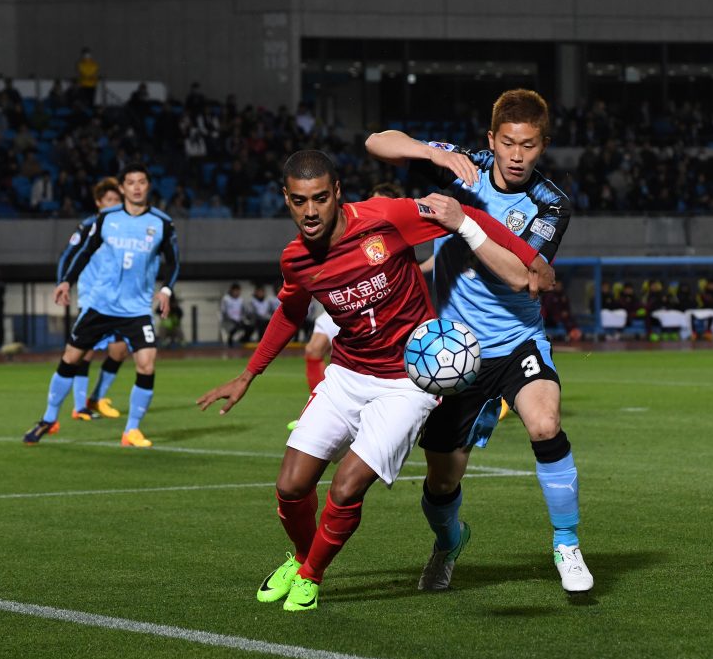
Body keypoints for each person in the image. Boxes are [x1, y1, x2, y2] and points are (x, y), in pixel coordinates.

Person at [196, 150, 545, 612]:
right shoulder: (296, 260)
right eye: (299, 201)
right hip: (347, 375)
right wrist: (249, 373)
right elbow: (289, 312)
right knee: (290, 487)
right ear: (286, 199)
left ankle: (311, 577)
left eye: (320, 198)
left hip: (407, 383)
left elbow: (468, 215)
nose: (311, 211)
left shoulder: (387, 217)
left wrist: (530, 257)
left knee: (345, 489)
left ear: (337, 192)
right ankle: (302, 558)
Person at [365, 88, 594, 593]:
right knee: (442, 481)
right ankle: (449, 543)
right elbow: (376, 141)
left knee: (544, 421)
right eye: (508, 142)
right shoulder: (462, 166)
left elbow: (521, 275)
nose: (517, 155)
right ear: (492, 139)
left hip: (517, 341)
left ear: (543, 145)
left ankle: (567, 543)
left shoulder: (550, 202)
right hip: (453, 353)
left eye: (529, 145)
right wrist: (431, 153)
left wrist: (463, 222)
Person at [24, 163, 180, 448]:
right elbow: (84, 251)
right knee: (70, 359)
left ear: (148, 186)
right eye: (130, 182)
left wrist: (167, 290)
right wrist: (66, 281)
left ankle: (131, 430)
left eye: (141, 181)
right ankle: (49, 418)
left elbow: (174, 261)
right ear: (122, 188)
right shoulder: (107, 218)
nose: (136, 187)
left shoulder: (161, 222)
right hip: (100, 305)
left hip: (136, 310)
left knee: (146, 365)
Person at [301, 181, 404, 392]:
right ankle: (318, 405)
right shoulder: (353, 224)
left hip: (385, 308)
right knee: (313, 350)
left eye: (382, 203)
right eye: (372, 201)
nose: (376, 208)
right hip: (348, 301)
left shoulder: (398, 233)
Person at [55, 177, 131, 421]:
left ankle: (95, 398)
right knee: (84, 353)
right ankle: (79, 406)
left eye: (116, 200)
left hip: (118, 301)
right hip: (92, 299)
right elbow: (68, 256)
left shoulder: (125, 228)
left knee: (119, 351)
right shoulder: (89, 226)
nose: (113, 204)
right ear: (98, 203)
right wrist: (64, 282)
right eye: (108, 200)